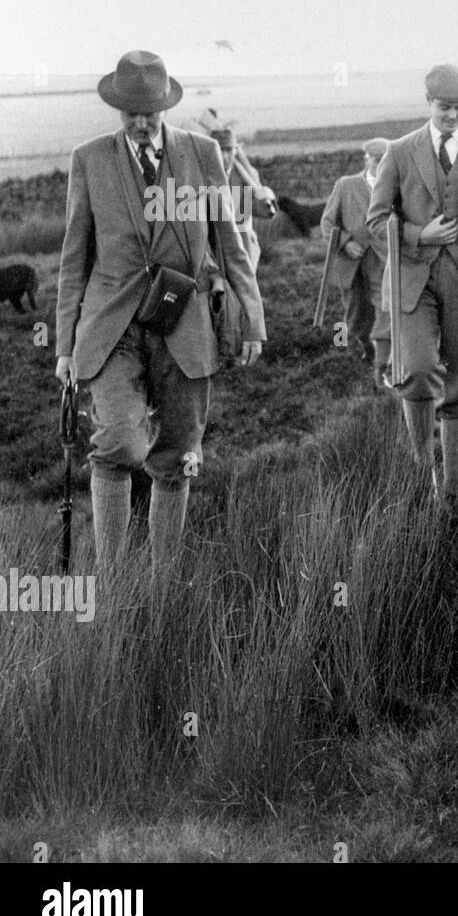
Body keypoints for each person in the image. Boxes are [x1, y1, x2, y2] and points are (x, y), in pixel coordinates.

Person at [54, 50, 266, 575]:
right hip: (112, 328)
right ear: (117, 109)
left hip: (184, 323)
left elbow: (230, 243)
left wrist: (251, 318)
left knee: (177, 454)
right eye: (131, 112)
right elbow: (73, 259)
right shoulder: (90, 160)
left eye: (151, 111)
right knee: (120, 443)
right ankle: (113, 580)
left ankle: (164, 580)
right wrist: (63, 346)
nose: (142, 122)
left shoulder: (202, 153)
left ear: (166, 107)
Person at [367, 65, 458, 498]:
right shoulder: (400, 151)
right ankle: (422, 475)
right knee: (420, 369)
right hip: (413, 277)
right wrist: (417, 235)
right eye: (445, 108)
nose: (453, 117)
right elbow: (376, 219)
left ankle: (453, 489)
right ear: (429, 104)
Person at [321, 137, 389, 377]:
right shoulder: (346, 185)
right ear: (366, 159)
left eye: (385, 161)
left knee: (384, 307)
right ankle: (360, 347)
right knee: (355, 313)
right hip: (352, 262)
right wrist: (345, 242)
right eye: (377, 160)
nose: (381, 165)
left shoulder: (397, 186)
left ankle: (383, 358)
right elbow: (327, 223)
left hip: (382, 259)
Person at [208, 126, 278, 274]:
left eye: (229, 150)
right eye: (219, 149)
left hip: (242, 247)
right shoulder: (203, 175)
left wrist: (247, 170)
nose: (224, 155)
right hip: (212, 249)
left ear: (236, 151)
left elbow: (264, 213)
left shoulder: (243, 176)